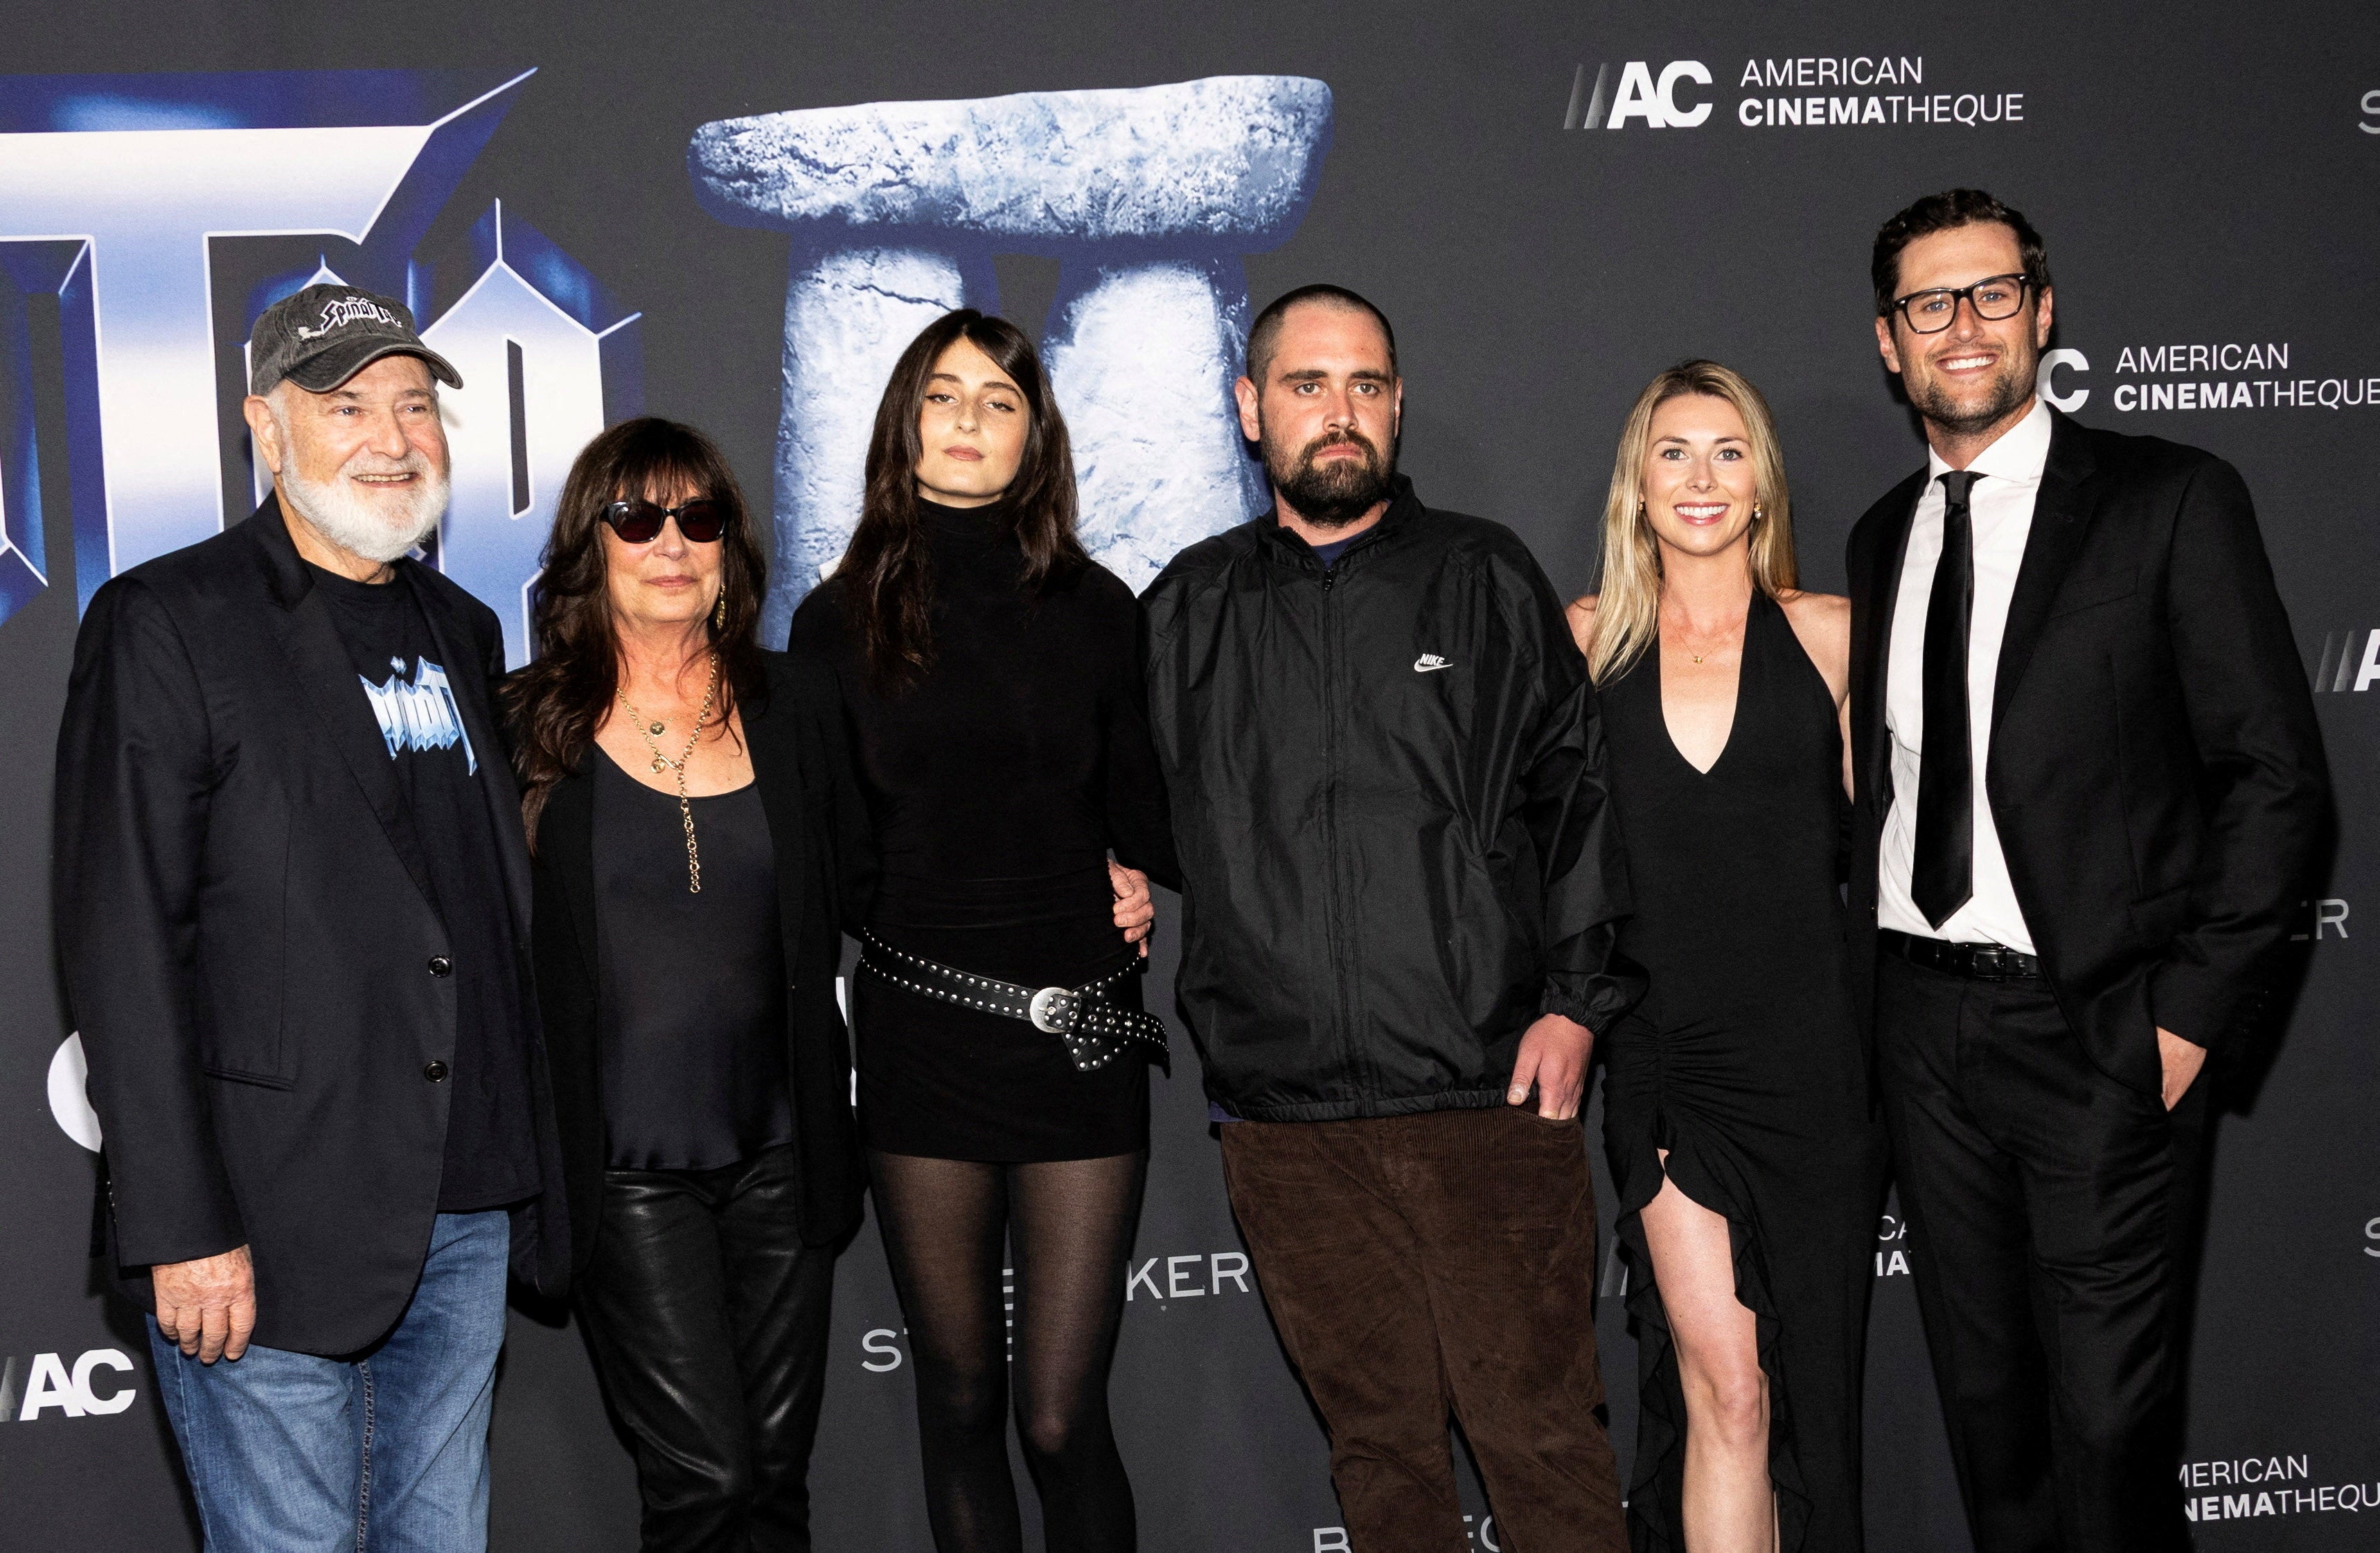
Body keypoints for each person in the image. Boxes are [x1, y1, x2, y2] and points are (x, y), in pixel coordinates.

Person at [1846, 189, 2328, 1552]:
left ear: (2042, 312)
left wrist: (2182, 1017)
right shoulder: (1885, 534)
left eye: (1990, 292)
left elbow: (2275, 777)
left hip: (2096, 1032)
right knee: (1992, 1437)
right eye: (1926, 302)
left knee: (2109, 1447)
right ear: (1887, 341)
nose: (1961, 325)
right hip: (1919, 1031)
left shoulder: (2169, 498)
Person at [52, 283, 569, 1552]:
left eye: (412, 404)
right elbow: (124, 936)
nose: (392, 437)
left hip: (463, 1207)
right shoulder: (171, 620)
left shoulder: (462, 624)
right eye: (345, 406)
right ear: (265, 430)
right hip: (266, 1225)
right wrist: (180, 1225)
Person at [1142, 284, 1637, 1553]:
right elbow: (1121, 807)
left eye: (1365, 384)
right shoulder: (1185, 610)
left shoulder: (1484, 575)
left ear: (1399, 403)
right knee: (1382, 1465)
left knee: (1543, 1445)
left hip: (1486, 1100)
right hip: (1288, 1125)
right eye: (1307, 386)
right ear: (1252, 410)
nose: (1339, 413)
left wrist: (1577, 1004)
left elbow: (1577, 796)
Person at [789, 308, 1170, 1553]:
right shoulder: (834, 622)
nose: (967, 421)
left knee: (1061, 1417)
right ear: (905, 424)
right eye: (944, 395)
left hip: (1078, 1035)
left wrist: (1132, 877)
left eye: (999, 401)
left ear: (1035, 438)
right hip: (920, 1037)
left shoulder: (1101, 606)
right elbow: (832, 855)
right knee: (956, 1403)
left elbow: (1145, 815)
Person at [501, 417, 872, 1550]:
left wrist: (1098, 866)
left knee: (772, 1482)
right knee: (704, 1481)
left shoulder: (796, 702)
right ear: (590, 545)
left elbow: (886, 869)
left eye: (698, 517)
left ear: (729, 547)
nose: (671, 541)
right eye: (637, 516)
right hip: (626, 1174)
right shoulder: (523, 723)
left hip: (783, 1153)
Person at [1570, 360, 1885, 1553]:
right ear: (1636, 489)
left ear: (1761, 484)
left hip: (1815, 1068)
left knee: (1810, 1392)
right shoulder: (1583, 644)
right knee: (1727, 1387)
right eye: (1673, 454)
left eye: (1728, 452)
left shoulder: (1835, 635)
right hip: (1665, 1060)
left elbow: (1894, 850)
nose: (1701, 479)